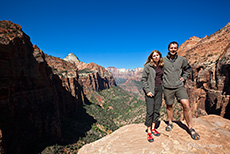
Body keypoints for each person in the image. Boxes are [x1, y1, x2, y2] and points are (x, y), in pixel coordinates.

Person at [163, 41, 200, 140]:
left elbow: (188, 69)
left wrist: (184, 77)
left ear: (177, 49)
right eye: (171, 48)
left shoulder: (182, 60)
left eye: (175, 48)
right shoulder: (163, 60)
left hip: (179, 86)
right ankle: (170, 123)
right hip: (167, 87)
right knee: (169, 105)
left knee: (186, 105)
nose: (173, 49)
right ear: (168, 49)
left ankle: (190, 128)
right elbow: (157, 70)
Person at [141, 50, 164, 142]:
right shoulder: (148, 67)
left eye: (157, 55)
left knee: (157, 110)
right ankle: (149, 131)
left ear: (159, 56)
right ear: (151, 57)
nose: (156, 57)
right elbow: (143, 79)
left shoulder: (161, 66)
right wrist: (147, 91)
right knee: (150, 111)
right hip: (150, 90)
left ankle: (154, 128)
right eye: (154, 56)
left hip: (159, 90)